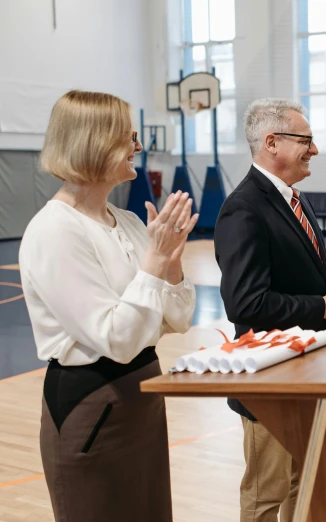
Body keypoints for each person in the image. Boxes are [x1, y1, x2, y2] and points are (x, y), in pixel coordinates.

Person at [18, 90, 199, 522]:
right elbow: (116, 339)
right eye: (127, 137)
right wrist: (155, 264)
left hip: (142, 397)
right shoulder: (54, 230)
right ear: (92, 143)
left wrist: (169, 264)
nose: (137, 147)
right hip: (92, 404)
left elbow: (180, 318)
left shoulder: (132, 222)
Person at [214, 98, 326, 522]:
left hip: (306, 367)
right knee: (267, 493)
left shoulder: (293, 199)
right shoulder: (242, 208)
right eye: (306, 140)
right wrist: (324, 305)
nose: (314, 150)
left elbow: (304, 260)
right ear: (272, 143)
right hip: (269, 376)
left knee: (300, 485)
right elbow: (245, 302)